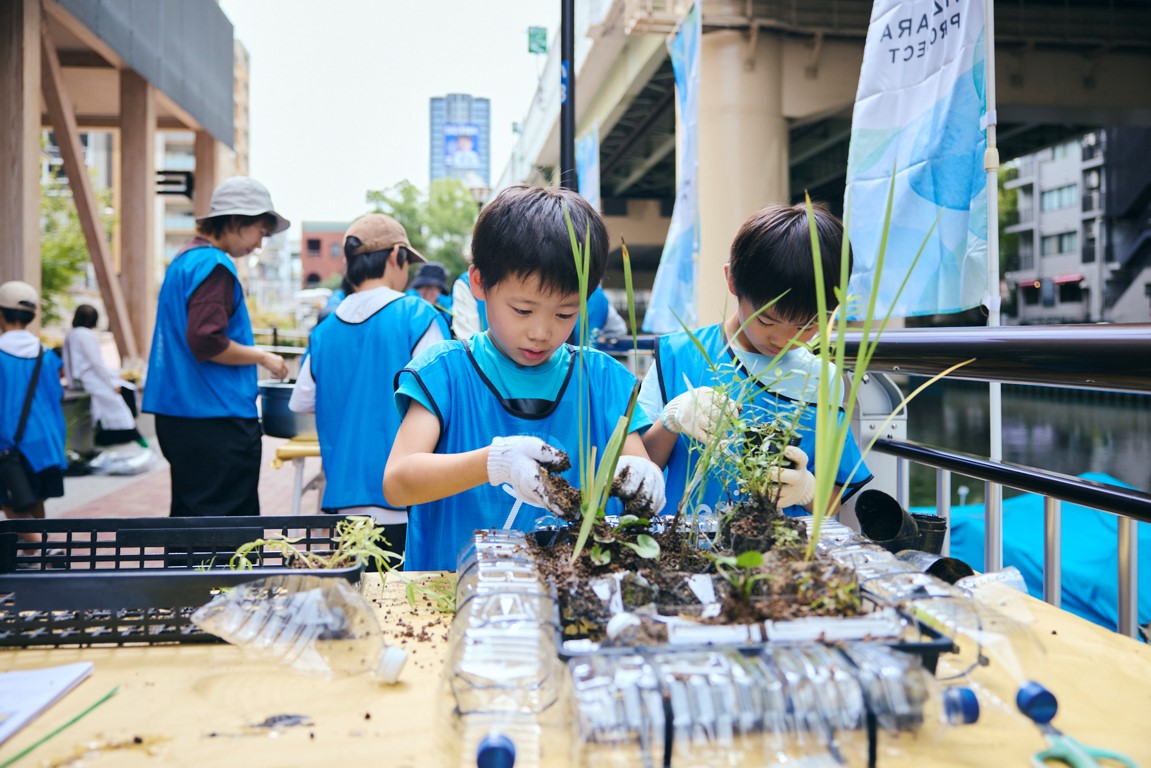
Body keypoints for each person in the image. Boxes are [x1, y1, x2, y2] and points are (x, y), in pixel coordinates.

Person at [384, 185, 666, 571]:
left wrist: (645, 479)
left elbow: (637, 468)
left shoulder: (603, 380)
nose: (541, 332)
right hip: (455, 594)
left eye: (565, 314)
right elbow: (398, 481)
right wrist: (493, 462)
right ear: (480, 283)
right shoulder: (445, 372)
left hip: (572, 595)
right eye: (522, 310)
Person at [638, 202, 872, 519]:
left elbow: (831, 504)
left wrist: (807, 489)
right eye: (767, 322)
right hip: (690, 554)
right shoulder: (678, 356)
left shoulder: (821, 378)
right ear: (732, 281)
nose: (784, 340)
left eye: (808, 326)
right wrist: (671, 421)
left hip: (781, 558)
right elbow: (639, 475)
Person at [289, 214, 450, 558]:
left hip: (341, 508)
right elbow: (446, 399)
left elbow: (301, 400)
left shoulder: (323, 331)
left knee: (355, 605)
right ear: (396, 256)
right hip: (406, 502)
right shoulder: (418, 316)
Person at [142, 176, 290, 517]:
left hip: (181, 415)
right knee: (224, 534)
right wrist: (264, 356)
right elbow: (206, 340)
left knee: (192, 523)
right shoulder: (215, 265)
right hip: (215, 418)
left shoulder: (183, 261)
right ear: (238, 222)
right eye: (260, 234)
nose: (258, 245)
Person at [0, 282, 66, 547]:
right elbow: (55, 397)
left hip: (9, 444)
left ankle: (45, 555)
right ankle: (38, 555)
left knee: (10, 503)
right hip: (45, 444)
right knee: (35, 500)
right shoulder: (46, 355)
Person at [63, 304, 146, 449]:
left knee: (104, 411)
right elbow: (96, 363)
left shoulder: (72, 334)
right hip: (92, 379)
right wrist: (111, 383)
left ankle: (114, 440)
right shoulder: (85, 335)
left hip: (81, 380)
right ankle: (136, 439)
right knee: (118, 408)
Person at [406, 262, 454, 329]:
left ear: (440, 290)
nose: (428, 293)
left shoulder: (450, 311)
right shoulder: (406, 305)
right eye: (424, 287)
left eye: (432, 288)